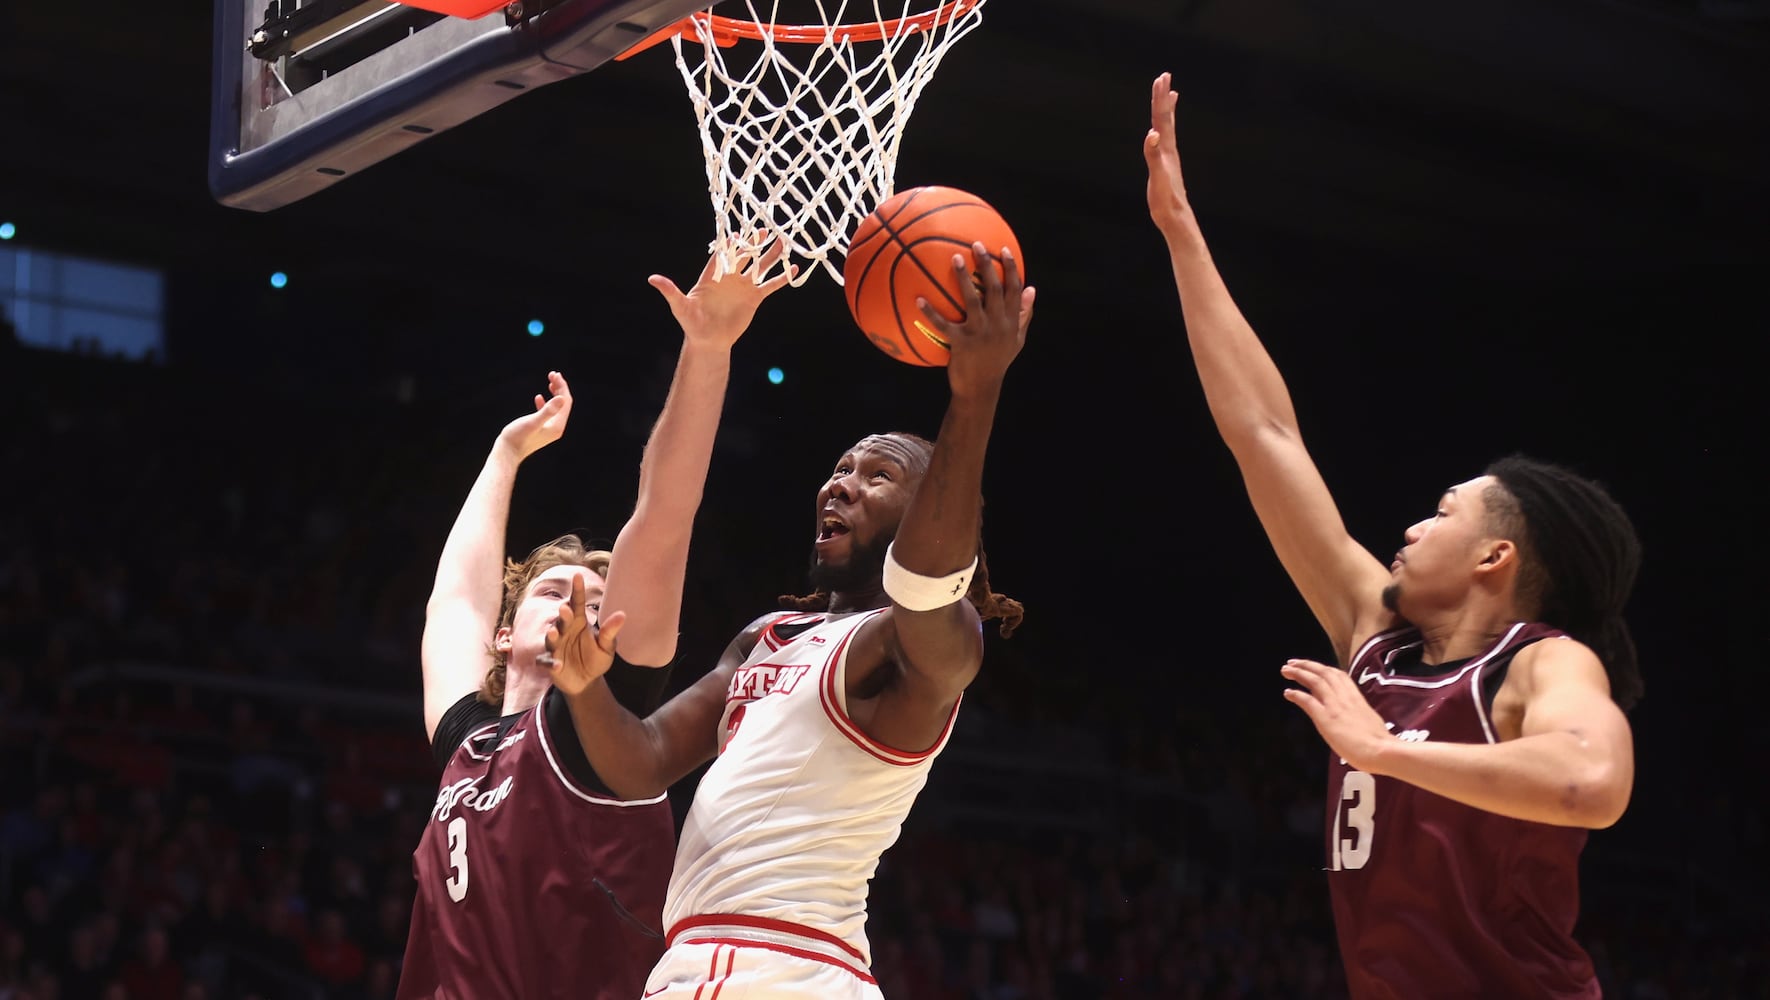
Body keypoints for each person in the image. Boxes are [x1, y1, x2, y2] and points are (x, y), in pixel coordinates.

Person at [1142, 72, 1644, 998]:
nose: (1413, 525)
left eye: (1445, 511)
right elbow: (1265, 435)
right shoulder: (1377, 642)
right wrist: (1181, 233)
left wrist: (1384, 752)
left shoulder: (1541, 664)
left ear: (1499, 558)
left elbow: (1594, 784)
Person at [542, 240, 1034, 998]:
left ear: (930, 508)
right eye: (839, 469)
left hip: (779, 964)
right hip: (711, 962)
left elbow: (928, 583)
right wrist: (584, 688)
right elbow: (639, 761)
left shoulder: (921, 646)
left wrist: (974, 397)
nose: (842, 485)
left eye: (879, 475)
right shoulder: (768, 636)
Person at [394, 239, 796, 1000]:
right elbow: (453, 604)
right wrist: (505, 457)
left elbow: (664, 515)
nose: (579, 601)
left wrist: (706, 351)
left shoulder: (601, 733)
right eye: (554, 590)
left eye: (593, 594)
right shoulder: (468, 741)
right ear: (504, 635)